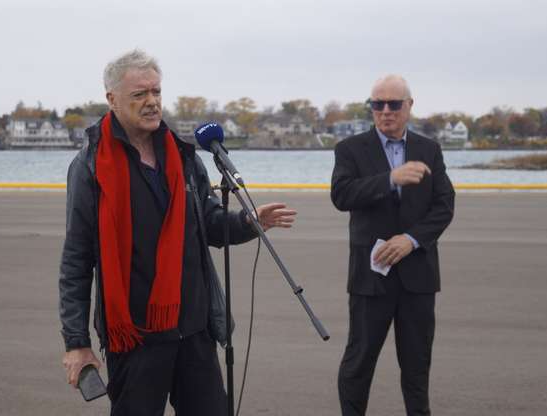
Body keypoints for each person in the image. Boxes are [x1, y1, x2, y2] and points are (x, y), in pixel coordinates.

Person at [59, 49, 296, 416]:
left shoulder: (184, 158)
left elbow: (210, 225)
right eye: (140, 94)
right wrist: (76, 342)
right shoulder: (90, 166)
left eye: (156, 92)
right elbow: (76, 258)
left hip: (194, 330)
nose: (152, 102)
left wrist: (248, 222)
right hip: (134, 336)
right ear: (112, 99)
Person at [330, 75, 455, 416]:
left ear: (409, 107)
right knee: (358, 365)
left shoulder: (429, 150)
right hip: (372, 278)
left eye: (393, 104)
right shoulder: (350, 149)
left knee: (416, 369)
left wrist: (411, 240)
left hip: (418, 277)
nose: (385, 111)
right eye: (377, 104)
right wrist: (389, 179)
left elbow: (444, 206)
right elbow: (341, 195)